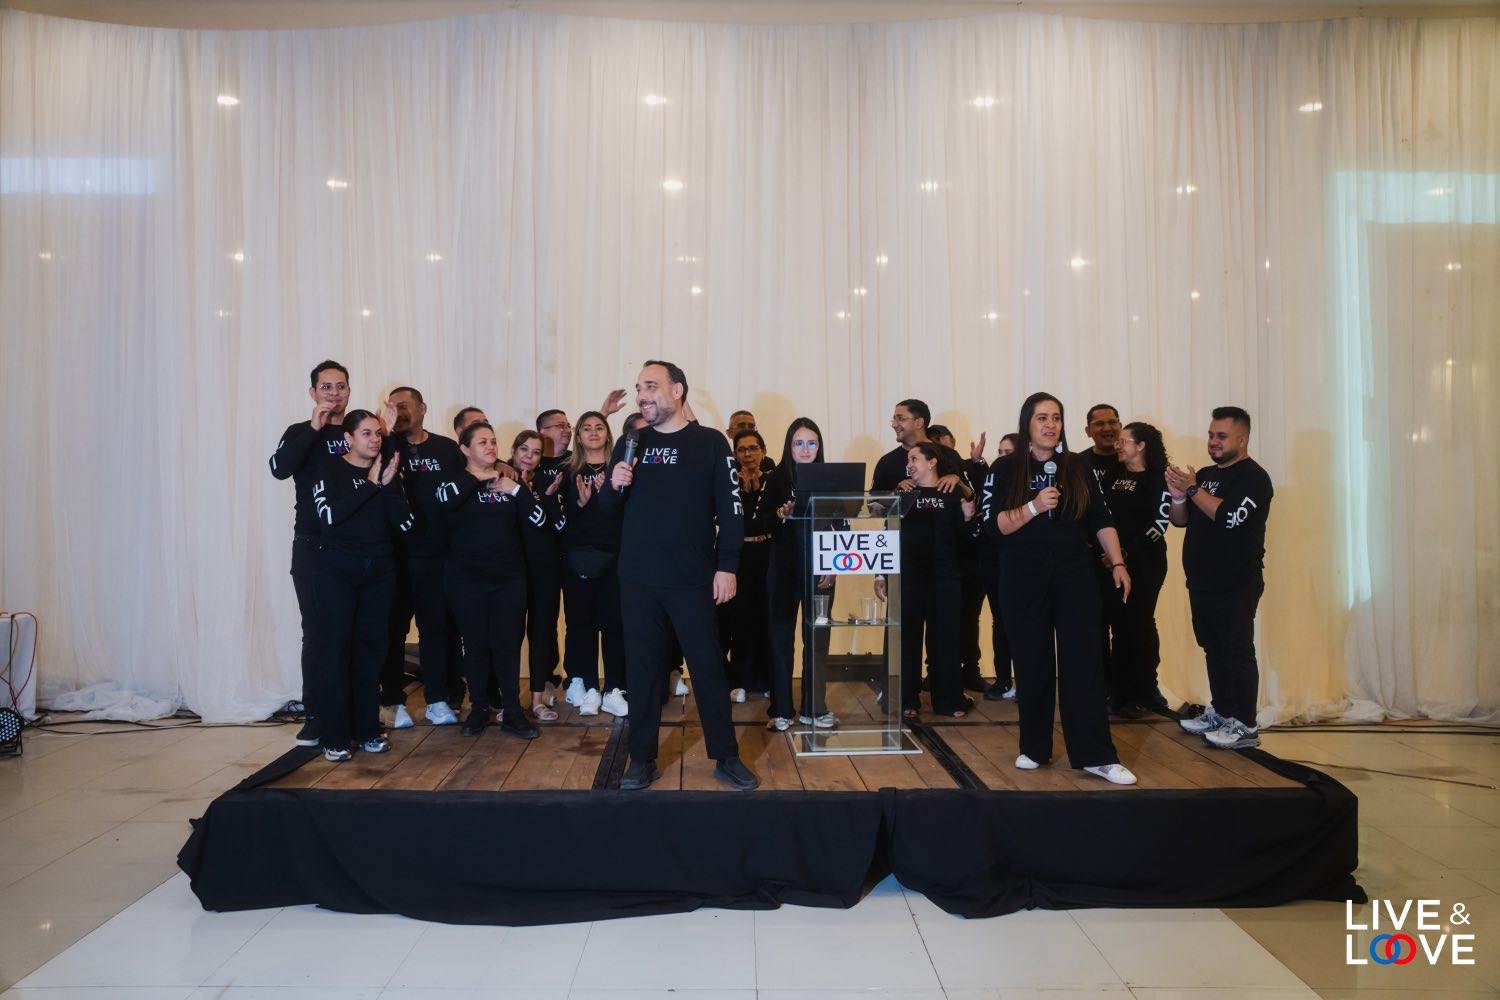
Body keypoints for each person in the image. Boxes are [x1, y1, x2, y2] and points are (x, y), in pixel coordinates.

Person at [597, 360, 759, 791]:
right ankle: (641, 758)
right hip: (638, 579)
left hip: (692, 578)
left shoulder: (710, 443)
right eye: (639, 388)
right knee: (643, 671)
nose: (642, 395)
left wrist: (727, 566)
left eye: (651, 386)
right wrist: (614, 485)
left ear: (677, 390)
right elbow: (607, 512)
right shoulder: (631, 441)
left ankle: (726, 756)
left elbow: (732, 510)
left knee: (707, 668)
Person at [981, 392, 1137, 785]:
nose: (1050, 425)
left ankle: (1096, 755)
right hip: (1022, 578)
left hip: (1074, 576)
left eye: (1056, 418)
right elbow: (994, 527)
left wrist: (1117, 562)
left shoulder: (1077, 467)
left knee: (1084, 662)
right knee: (1032, 664)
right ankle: (1034, 747)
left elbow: (1100, 518)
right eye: (1042, 418)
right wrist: (1034, 506)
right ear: (1027, 423)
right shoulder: (1004, 468)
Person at [435, 421, 550, 739]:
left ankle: (512, 711)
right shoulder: (453, 481)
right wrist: (477, 477)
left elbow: (539, 520)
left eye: (493, 441)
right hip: (466, 579)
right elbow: (444, 503)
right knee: (474, 644)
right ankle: (479, 708)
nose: (490, 446)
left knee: (507, 644)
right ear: (465, 449)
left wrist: (516, 490)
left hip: (508, 579)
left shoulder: (509, 482)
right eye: (482, 442)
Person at [1168, 406, 1275, 750]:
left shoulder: (1254, 478)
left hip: (1236, 582)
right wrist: (1178, 495)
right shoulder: (1205, 475)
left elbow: (1228, 517)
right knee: (1213, 647)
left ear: (1242, 439)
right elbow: (1181, 520)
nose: (1213, 441)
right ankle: (1223, 711)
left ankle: (1245, 724)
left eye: (1222, 436)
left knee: (1236, 650)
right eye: (1211, 435)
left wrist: (1192, 489)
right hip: (1202, 580)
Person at [311, 409, 414, 762]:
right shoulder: (329, 470)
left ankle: (368, 729)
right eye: (366, 433)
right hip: (336, 570)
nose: (374, 439)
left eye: (377, 433)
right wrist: (370, 485)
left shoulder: (386, 472)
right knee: (336, 651)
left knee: (371, 652)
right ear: (349, 439)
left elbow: (406, 524)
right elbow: (329, 517)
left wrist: (385, 486)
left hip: (379, 570)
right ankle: (335, 735)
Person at [269, 360, 353, 747]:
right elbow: (279, 469)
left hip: (357, 545)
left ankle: (355, 714)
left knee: (355, 632)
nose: (334, 394)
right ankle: (316, 714)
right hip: (312, 546)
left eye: (340, 386)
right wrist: (315, 429)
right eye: (326, 387)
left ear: (349, 390)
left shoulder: (359, 430)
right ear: (313, 392)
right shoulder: (299, 432)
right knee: (317, 632)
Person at [380, 386, 465, 729]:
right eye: (392, 407)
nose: (399, 413)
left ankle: (438, 699)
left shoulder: (446, 448)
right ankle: (392, 701)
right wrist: (385, 435)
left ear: (422, 408)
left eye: (404, 406)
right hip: (395, 557)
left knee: (435, 629)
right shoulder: (384, 445)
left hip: (436, 557)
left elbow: (466, 484)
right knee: (393, 631)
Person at [876, 442, 974, 718]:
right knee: (906, 640)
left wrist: (968, 517)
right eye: (908, 460)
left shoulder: (953, 493)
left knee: (945, 640)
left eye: (914, 458)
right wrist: (881, 574)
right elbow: (887, 534)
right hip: (908, 578)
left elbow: (966, 540)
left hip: (945, 577)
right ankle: (906, 700)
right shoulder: (903, 494)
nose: (909, 464)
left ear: (932, 462)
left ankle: (948, 700)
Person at [764, 418, 839, 731]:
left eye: (811, 443)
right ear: (789, 446)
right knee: (781, 640)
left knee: (817, 640)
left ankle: (814, 708)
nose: (805, 449)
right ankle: (782, 709)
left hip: (821, 573)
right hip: (783, 572)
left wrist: (834, 565)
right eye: (798, 443)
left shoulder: (830, 479)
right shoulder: (777, 478)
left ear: (819, 446)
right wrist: (780, 514)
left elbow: (841, 525)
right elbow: (761, 521)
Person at [1101, 422, 1174, 718]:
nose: (1117, 446)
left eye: (1124, 441)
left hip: (1145, 563)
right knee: (1119, 626)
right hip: (1111, 562)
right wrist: (1108, 553)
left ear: (1142, 446)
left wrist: (1124, 553)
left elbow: (1160, 524)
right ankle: (1119, 691)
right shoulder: (1113, 474)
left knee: (1139, 624)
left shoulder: (1158, 477)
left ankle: (1144, 690)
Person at [560, 411, 628, 718]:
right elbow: (561, 518)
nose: (593, 432)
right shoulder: (569, 471)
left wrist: (607, 497)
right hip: (578, 559)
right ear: (578, 436)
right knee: (582, 624)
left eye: (599, 427)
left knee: (614, 624)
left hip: (614, 557)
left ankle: (614, 688)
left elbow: (626, 513)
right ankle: (588, 687)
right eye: (586, 428)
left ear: (608, 434)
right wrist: (581, 504)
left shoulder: (619, 469)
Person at [509, 429, 568, 721]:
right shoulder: (501, 479)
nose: (529, 457)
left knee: (542, 633)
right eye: (524, 449)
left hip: (545, 570)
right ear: (513, 450)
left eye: (535, 452)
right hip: (510, 572)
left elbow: (556, 525)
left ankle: (537, 700)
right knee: (509, 634)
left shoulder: (546, 481)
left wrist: (548, 499)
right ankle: (508, 702)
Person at [929, 425, 987, 693]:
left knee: (970, 616)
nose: (940, 446)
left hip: (972, 556)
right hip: (942, 560)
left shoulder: (968, 467)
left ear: (953, 440)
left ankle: (971, 669)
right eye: (934, 442)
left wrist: (976, 463)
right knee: (939, 619)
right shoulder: (926, 474)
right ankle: (936, 671)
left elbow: (983, 494)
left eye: (943, 440)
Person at [726, 429, 774, 701]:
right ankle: (740, 680)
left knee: (766, 618)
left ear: (763, 452)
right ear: (735, 454)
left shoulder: (772, 481)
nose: (748, 454)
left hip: (766, 554)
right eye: (742, 449)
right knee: (740, 619)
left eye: (753, 448)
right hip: (739, 555)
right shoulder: (729, 481)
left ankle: (766, 679)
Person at [980, 433, 1022, 701]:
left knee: (1024, 622)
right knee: (1001, 621)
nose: (1002, 457)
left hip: (1024, 561)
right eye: (999, 451)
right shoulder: (994, 475)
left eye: (1008, 452)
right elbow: (988, 516)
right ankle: (1004, 679)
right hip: (995, 559)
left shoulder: (1030, 478)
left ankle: (1027, 680)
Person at [871, 399, 968, 494]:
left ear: (919, 423)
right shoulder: (887, 462)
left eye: (901, 419)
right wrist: (896, 492)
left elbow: (972, 496)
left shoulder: (949, 455)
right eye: (894, 419)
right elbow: (874, 502)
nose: (894, 425)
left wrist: (958, 481)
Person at [1079, 404, 1122, 480]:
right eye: (1099, 424)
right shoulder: (1078, 463)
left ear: (1120, 427)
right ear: (1088, 431)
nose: (1107, 428)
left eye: (1112, 422)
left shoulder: (1134, 459)